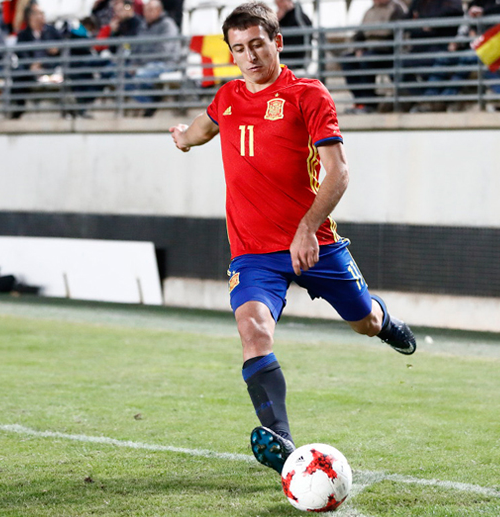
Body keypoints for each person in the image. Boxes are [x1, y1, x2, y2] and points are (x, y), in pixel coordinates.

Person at [168, 1, 416, 475]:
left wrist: (306, 229)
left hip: (315, 243)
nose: (250, 56)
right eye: (239, 49)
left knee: (361, 321)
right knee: (253, 328)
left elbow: (338, 174)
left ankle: (382, 320)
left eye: (258, 44)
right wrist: (183, 137)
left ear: (277, 42)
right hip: (253, 253)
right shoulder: (227, 98)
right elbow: (202, 128)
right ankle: (281, 437)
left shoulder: (309, 94)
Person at [341, 0, 407, 113]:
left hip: (386, 51)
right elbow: (359, 35)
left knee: (367, 59)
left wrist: (370, 49)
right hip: (367, 49)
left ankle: (369, 103)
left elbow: (396, 35)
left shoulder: (396, 9)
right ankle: (360, 101)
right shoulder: (369, 12)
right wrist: (358, 49)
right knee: (347, 60)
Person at [127, 0, 180, 116]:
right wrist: (134, 63)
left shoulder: (168, 25)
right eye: (146, 10)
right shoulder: (143, 27)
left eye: (151, 10)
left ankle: (153, 101)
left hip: (166, 64)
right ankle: (150, 102)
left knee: (140, 75)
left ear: (159, 10)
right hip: (145, 65)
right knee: (120, 77)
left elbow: (163, 51)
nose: (147, 13)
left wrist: (140, 64)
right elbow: (135, 49)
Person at [11, 2, 61, 119]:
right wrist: (31, 65)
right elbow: (21, 53)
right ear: (31, 16)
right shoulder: (23, 35)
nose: (42, 16)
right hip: (31, 69)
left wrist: (56, 51)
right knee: (18, 74)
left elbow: (61, 49)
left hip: (50, 66)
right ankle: (18, 108)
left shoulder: (52, 31)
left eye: (43, 13)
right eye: (39, 13)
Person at [275, 0, 311, 68]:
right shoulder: (283, 17)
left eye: (281, 1)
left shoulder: (300, 19)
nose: (278, 5)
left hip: (295, 59)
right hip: (286, 58)